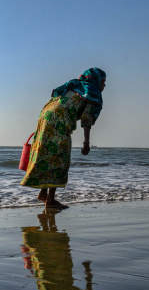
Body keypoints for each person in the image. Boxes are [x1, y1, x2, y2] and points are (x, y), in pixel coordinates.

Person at [21, 68, 106, 209]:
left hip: (45, 118)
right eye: (103, 81)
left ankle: (44, 194)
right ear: (96, 81)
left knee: (48, 155)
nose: (104, 85)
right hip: (58, 122)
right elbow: (87, 118)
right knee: (60, 158)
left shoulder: (75, 86)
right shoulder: (92, 93)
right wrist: (86, 142)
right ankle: (50, 200)